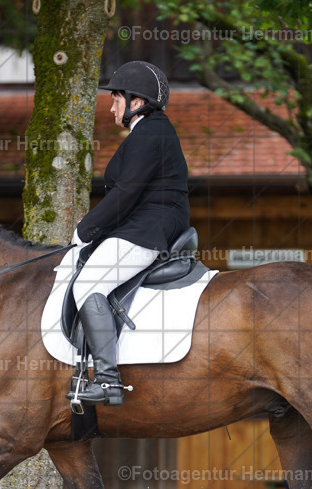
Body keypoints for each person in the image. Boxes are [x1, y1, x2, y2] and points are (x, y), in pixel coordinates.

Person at [65, 60, 190, 407]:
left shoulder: (151, 132)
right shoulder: (150, 132)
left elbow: (126, 193)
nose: (111, 106)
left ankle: (107, 381)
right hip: (146, 225)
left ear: (136, 103)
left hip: (149, 229)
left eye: (116, 99)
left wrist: (85, 230)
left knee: (88, 285)